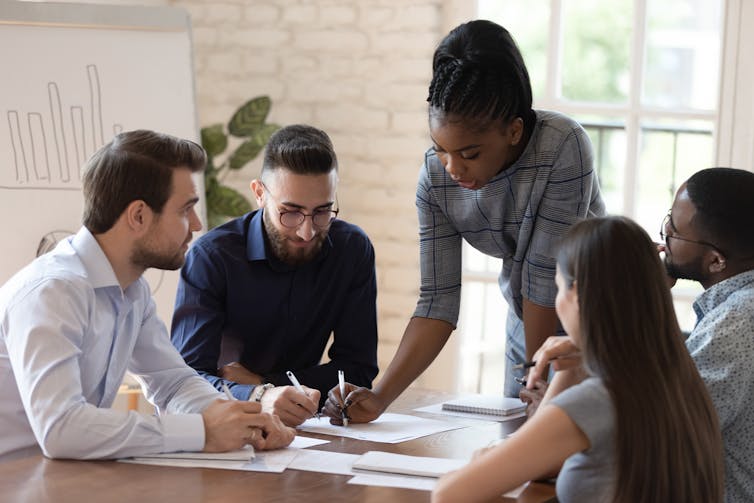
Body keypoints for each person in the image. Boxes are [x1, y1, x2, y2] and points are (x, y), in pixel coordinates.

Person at [323, 19, 604, 423]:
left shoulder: (562, 145)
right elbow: (437, 300)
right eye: (441, 149)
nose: (453, 167)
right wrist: (380, 397)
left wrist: (535, 382)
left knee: (570, 461)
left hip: (595, 324)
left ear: (513, 130)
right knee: (522, 456)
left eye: (470, 154)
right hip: (527, 325)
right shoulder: (435, 178)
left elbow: (544, 282)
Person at [0, 130, 295, 461]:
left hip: (60, 479)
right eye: (186, 210)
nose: (197, 225)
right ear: (138, 216)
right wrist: (201, 431)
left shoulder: (132, 290)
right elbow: (61, 429)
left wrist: (243, 422)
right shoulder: (53, 292)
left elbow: (172, 383)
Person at [432, 216, 723, 503]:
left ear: (579, 294)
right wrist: (571, 367)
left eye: (559, 288)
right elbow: (543, 461)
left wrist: (487, 457)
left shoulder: (599, 399)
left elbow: (450, 494)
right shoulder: (680, 382)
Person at [171, 124, 378, 427]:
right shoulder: (213, 257)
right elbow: (186, 380)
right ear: (259, 194)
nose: (306, 231)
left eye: (322, 212)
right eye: (290, 212)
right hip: (224, 428)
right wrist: (258, 396)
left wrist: (264, 384)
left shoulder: (352, 249)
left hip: (309, 430)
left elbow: (358, 369)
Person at [661, 167, 754, 503]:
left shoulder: (736, 322)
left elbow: (662, 434)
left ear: (716, 260)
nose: (664, 237)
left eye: (675, 231)